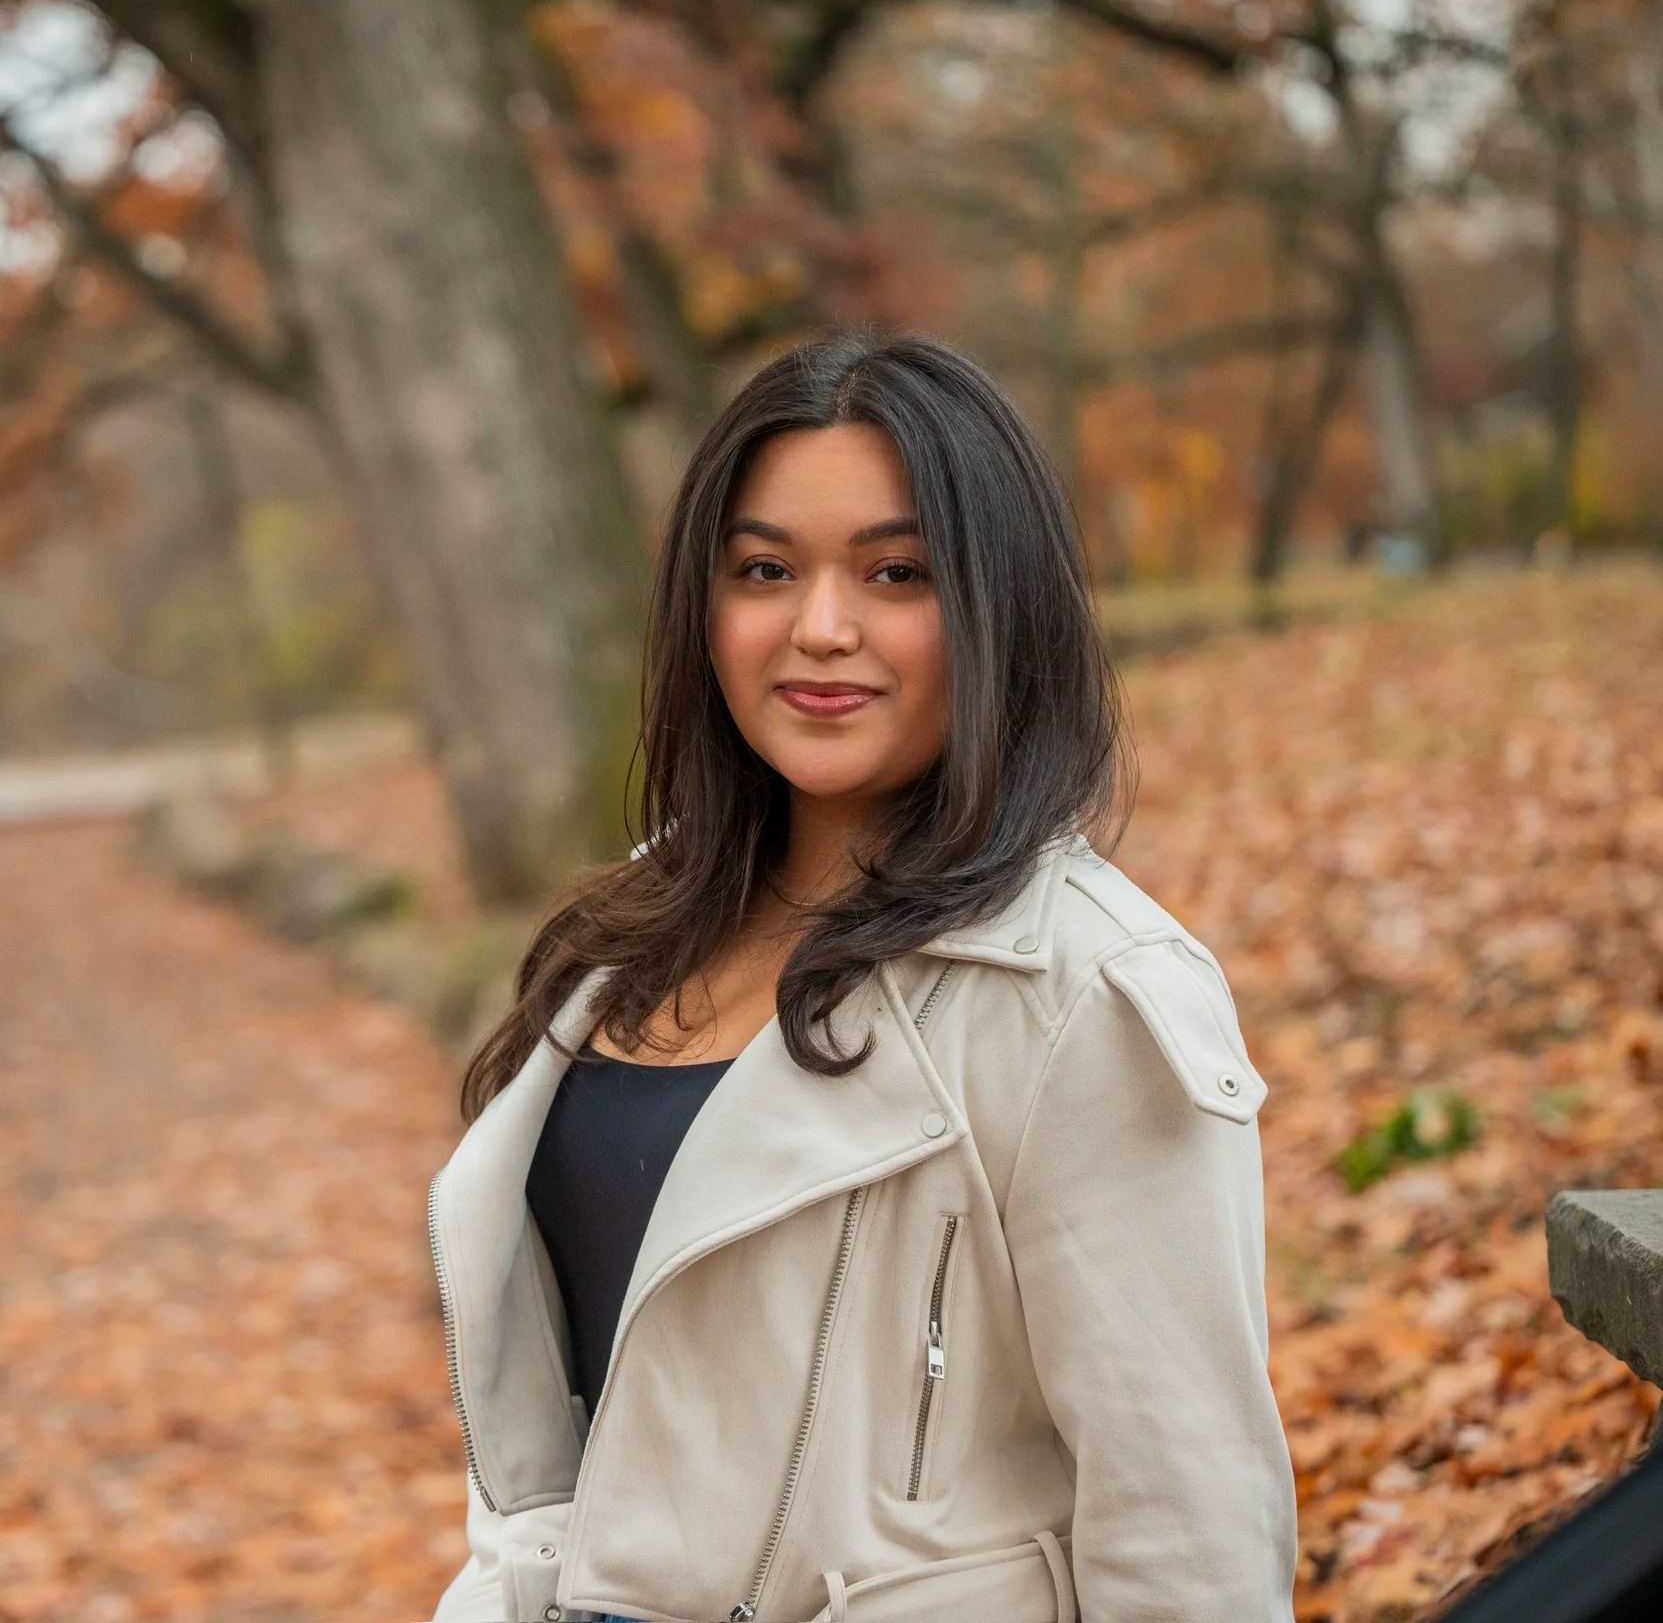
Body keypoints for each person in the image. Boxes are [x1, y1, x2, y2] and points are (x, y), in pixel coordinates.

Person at [423, 330, 1297, 1623]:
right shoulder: (632, 931)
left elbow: (1188, 1525)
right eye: (764, 569)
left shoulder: (1081, 990)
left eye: (896, 571)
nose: (818, 628)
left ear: (998, 602)